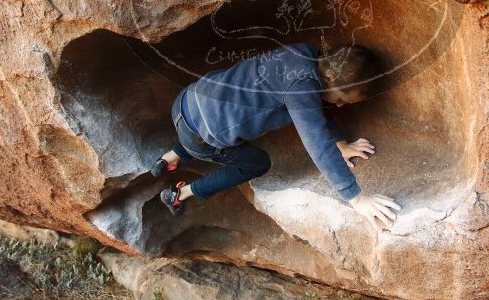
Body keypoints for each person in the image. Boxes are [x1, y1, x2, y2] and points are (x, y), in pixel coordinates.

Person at [152, 42, 401, 230]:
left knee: (212, 122)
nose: (338, 106)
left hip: (187, 101)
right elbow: (315, 139)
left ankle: (168, 159)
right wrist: (356, 198)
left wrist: (340, 144)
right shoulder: (302, 88)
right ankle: (180, 194)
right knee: (256, 162)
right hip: (200, 135)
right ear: (330, 77)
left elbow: (317, 107)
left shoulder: (305, 54)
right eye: (340, 99)